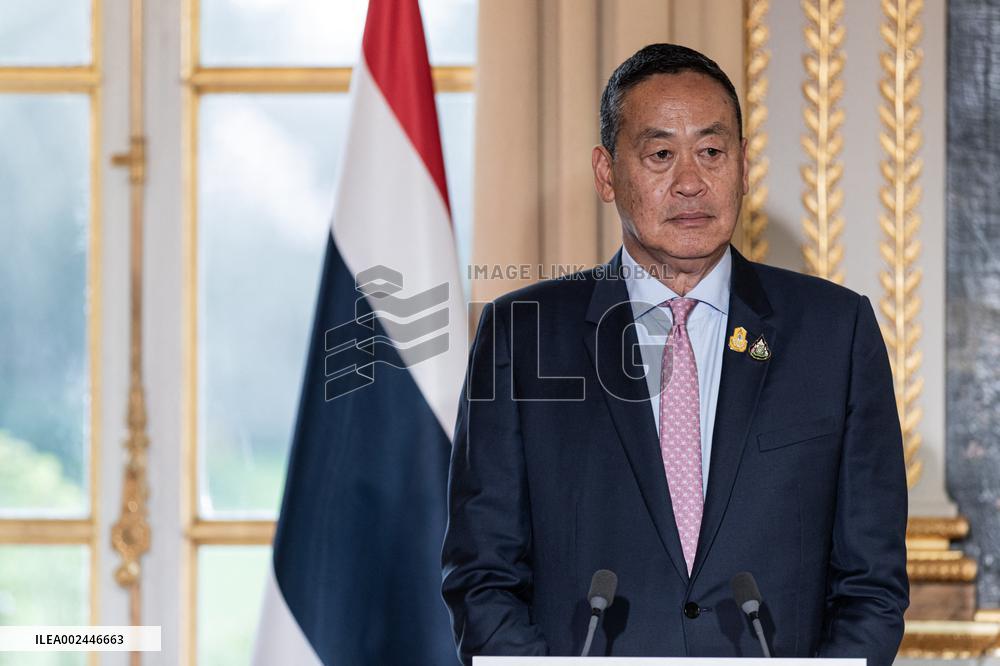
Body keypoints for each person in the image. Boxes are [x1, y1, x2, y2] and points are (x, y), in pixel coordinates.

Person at [441, 43, 908, 665]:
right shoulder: (521, 336)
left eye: (712, 152)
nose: (690, 181)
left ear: (742, 167)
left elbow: (872, 584)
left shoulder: (835, 331)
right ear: (607, 174)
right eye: (661, 154)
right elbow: (483, 575)